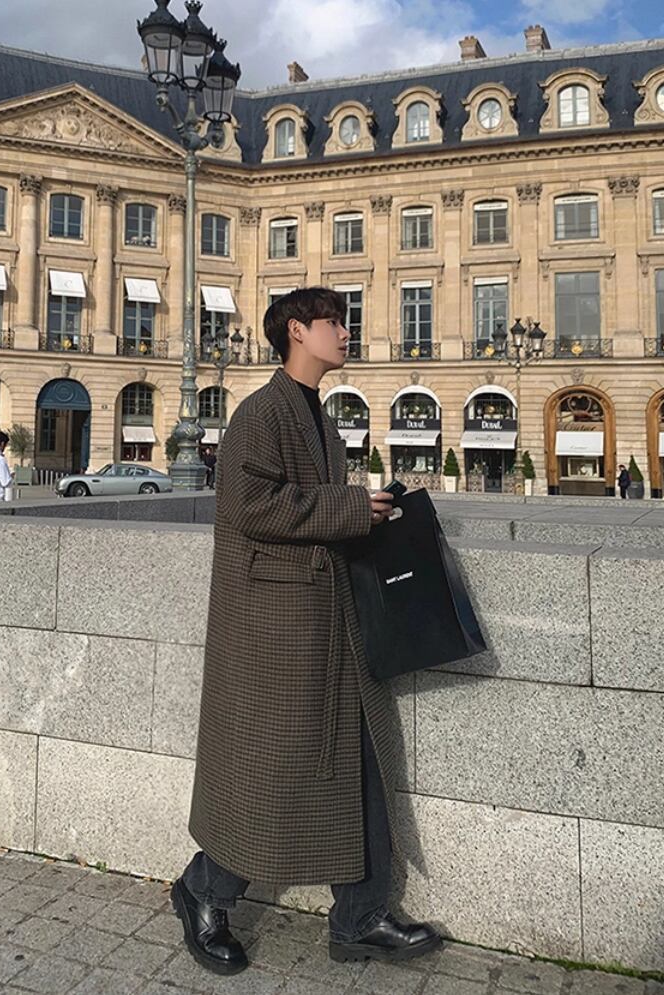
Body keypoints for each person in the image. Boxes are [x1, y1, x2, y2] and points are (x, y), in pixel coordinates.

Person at [174, 287, 441, 976]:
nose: (345, 334)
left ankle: (361, 916)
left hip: (326, 617)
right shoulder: (259, 413)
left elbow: (306, 509)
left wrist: (370, 512)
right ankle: (203, 889)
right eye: (333, 323)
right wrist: (351, 505)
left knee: (359, 761)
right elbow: (249, 503)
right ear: (296, 330)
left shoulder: (318, 416)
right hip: (275, 627)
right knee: (271, 769)